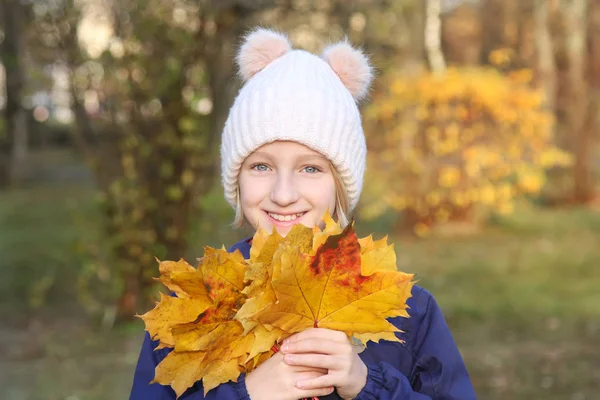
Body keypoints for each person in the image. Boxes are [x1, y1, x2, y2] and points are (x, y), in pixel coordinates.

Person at [130, 28, 477, 400]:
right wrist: (245, 395)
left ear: (340, 186)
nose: (283, 194)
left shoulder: (407, 310)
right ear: (236, 181)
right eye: (261, 167)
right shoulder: (193, 308)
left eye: (310, 169)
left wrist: (367, 385)